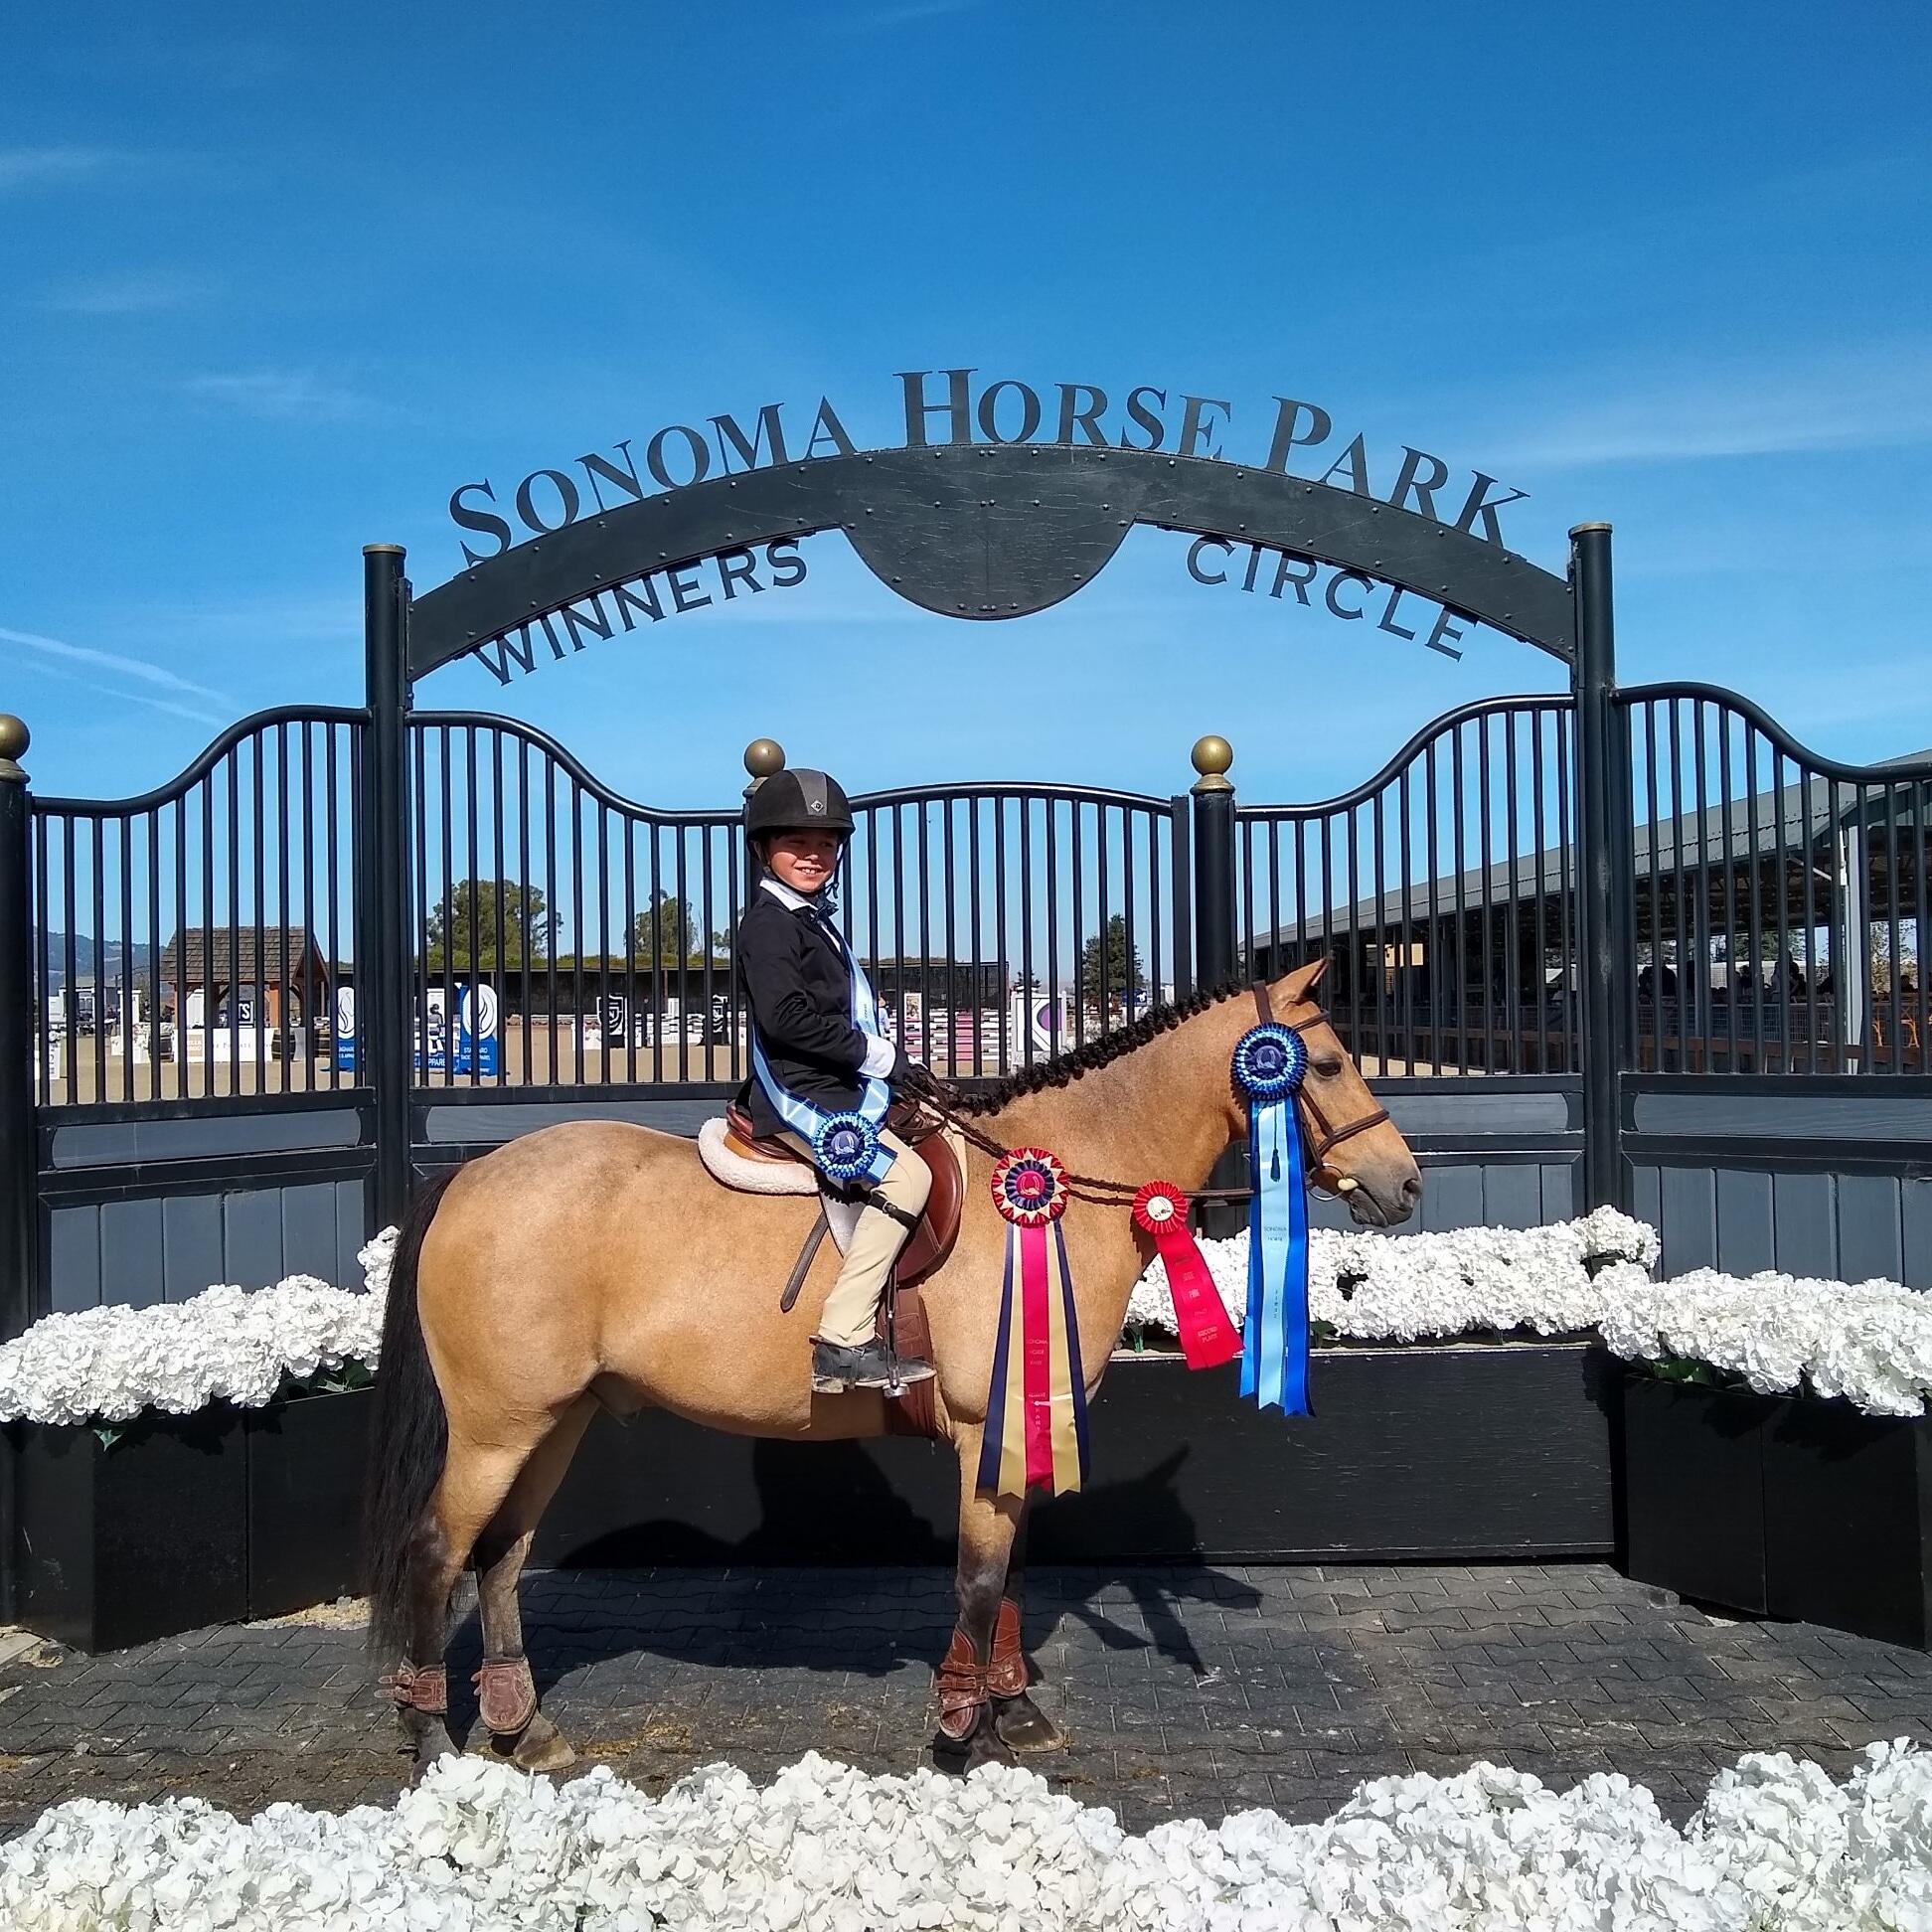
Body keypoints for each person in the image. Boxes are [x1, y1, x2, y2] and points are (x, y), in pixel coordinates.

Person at [735, 767, 935, 1396]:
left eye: (825, 844)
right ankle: (845, 1338)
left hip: (833, 1079)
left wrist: (896, 1066)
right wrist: (880, 1060)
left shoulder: (811, 919)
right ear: (766, 850)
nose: (813, 855)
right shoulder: (770, 922)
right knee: (910, 1176)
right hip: (799, 1090)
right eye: (797, 843)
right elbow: (787, 1019)